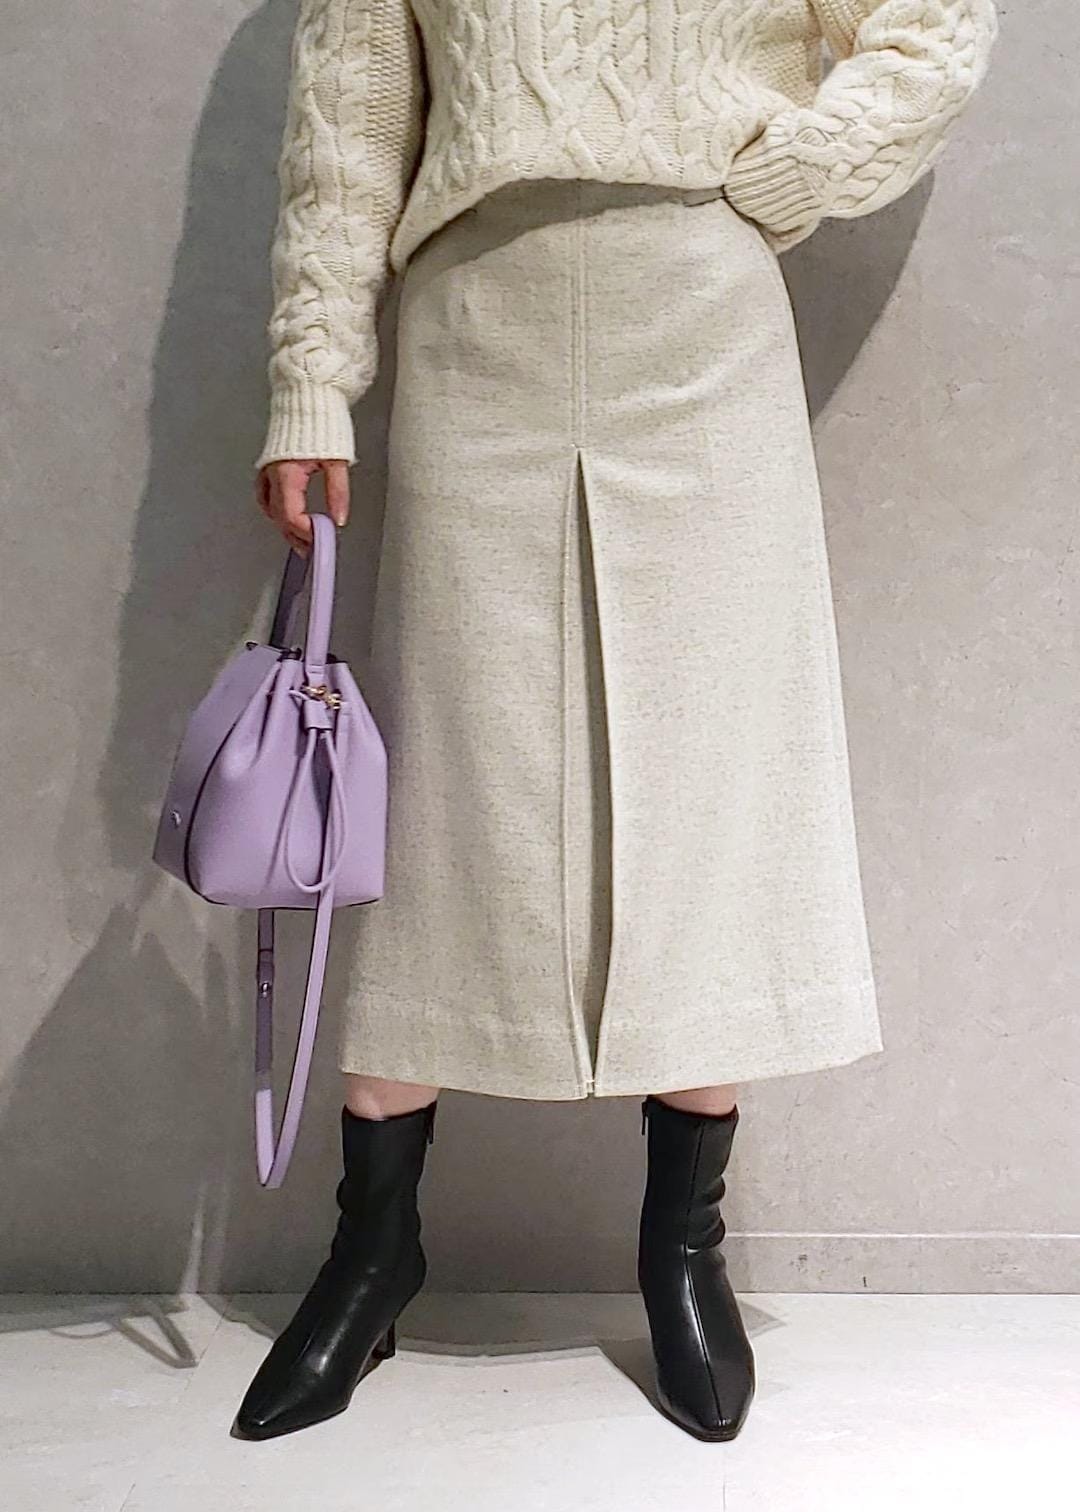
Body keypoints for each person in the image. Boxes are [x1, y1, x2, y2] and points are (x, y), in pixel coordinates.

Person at [234, 0, 998, 1444]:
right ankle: (373, 1249)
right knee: (448, 797)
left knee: (710, 768)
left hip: (698, 311)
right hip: (476, 316)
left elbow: (936, 23)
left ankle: (683, 1247)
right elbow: (350, 125)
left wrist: (799, 166)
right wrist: (310, 379)